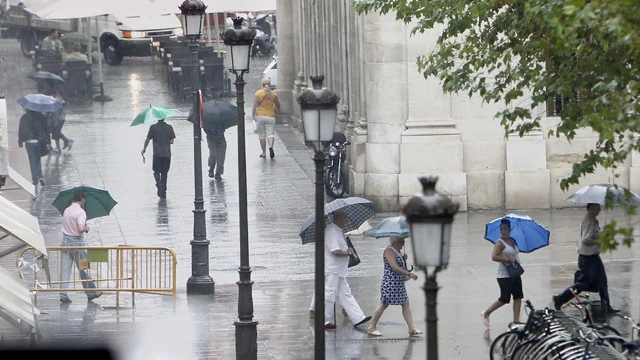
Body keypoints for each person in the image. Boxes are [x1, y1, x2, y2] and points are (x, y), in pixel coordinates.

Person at [552, 203, 620, 313]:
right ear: (591, 209)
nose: (600, 210)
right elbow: (586, 239)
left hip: (593, 256)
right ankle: (560, 298)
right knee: (583, 284)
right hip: (588, 258)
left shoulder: (593, 220)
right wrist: (599, 240)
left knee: (602, 281)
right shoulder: (589, 221)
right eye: (598, 208)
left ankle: (606, 306)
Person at [323, 209, 371, 329]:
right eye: (345, 218)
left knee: (345, 294)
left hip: (339, 269)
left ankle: (358, 317)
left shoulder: (338, 231)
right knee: (330, 294)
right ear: (340, 219)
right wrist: (348, 253)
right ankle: (325, 320)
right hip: (333, 269)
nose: (347, 221)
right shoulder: (332, 231)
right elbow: (335, 251)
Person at [366, 237, 422, 337]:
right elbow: (394, 267)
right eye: (401, 242)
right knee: (384, 304)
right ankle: (372, 327)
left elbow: (399, 264)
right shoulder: (389, 251)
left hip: (398, 283)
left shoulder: (397, 251)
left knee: (405, 304)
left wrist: (403, 259)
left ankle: (411, 328)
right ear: (395, 242)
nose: (403, 244)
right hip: (390, 283)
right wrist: (409, 274)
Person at [60, 189, 102, 303]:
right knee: (84, 268)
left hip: (65, 242)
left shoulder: (66, 210)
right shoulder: (81, 212)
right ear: (83, 199)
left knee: (65, 269)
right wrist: (86, 228)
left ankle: (63, 293)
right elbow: (80, 228)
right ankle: (91, 292)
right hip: (77, 242)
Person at [481, 219, 524, 328]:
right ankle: (486, 312)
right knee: (504, 298)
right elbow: (494, 256)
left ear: (510, 230)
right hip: (504, 275)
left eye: (505, 229)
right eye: (501, 229)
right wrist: (507, 258)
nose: (503, 231)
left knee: (518, 296)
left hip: (514, 273)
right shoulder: (499, 243)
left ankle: (516, 321)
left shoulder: (512, 241)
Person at [142, 118, 175, 198]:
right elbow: (172, 141)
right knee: (164, 173)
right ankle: (163, 190)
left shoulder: (153, 127)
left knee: (156, 171)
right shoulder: (169, 127)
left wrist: (144, 149)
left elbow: (148, 139)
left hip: (157, 153)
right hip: (167, 154)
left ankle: (159, 183)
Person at [18, 109, 49, 186]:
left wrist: (20, 140)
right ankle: (40, 176)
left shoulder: (24, 117)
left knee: (32, 161)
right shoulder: (40, 117)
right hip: (38, 141)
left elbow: (21, 129)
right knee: (38, 160)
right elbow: (45, 129)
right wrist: (48, 141)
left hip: (28, 141)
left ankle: (34, 180)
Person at [42, 79, 73, 151]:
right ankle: (67, 141)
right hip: (52, 116)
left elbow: (57, 109)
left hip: (59, 117)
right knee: (54, 131)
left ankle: (61, 145)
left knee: (56, 131)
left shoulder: (55, 95)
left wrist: (56, 119)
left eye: (45, 83)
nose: (44, 85)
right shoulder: (47, 93)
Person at [252, 77, 280, 159]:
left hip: (260, 115)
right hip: (270, 115)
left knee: (262, 135)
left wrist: (253, 114)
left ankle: (264, 152)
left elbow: (255, 106)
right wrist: (277, 109)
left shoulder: (258, 93)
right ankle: (270, 147)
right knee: (270, 134)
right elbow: (278, 104)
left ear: (262, 85)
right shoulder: (273, 94)